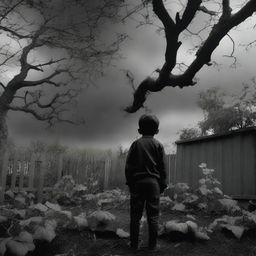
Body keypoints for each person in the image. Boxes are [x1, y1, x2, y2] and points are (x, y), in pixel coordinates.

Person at [125, 114, 167, 251]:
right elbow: (163, 168)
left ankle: (134, 245)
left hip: (137, 183)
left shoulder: (135, 144)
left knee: (135, 215)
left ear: (139, 131)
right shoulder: (158, 145)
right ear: (157, 131)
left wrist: (130, 183)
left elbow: (128, 166)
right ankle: (152, 246)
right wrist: (163, 184)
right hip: (153, 183)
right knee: (153, 216)